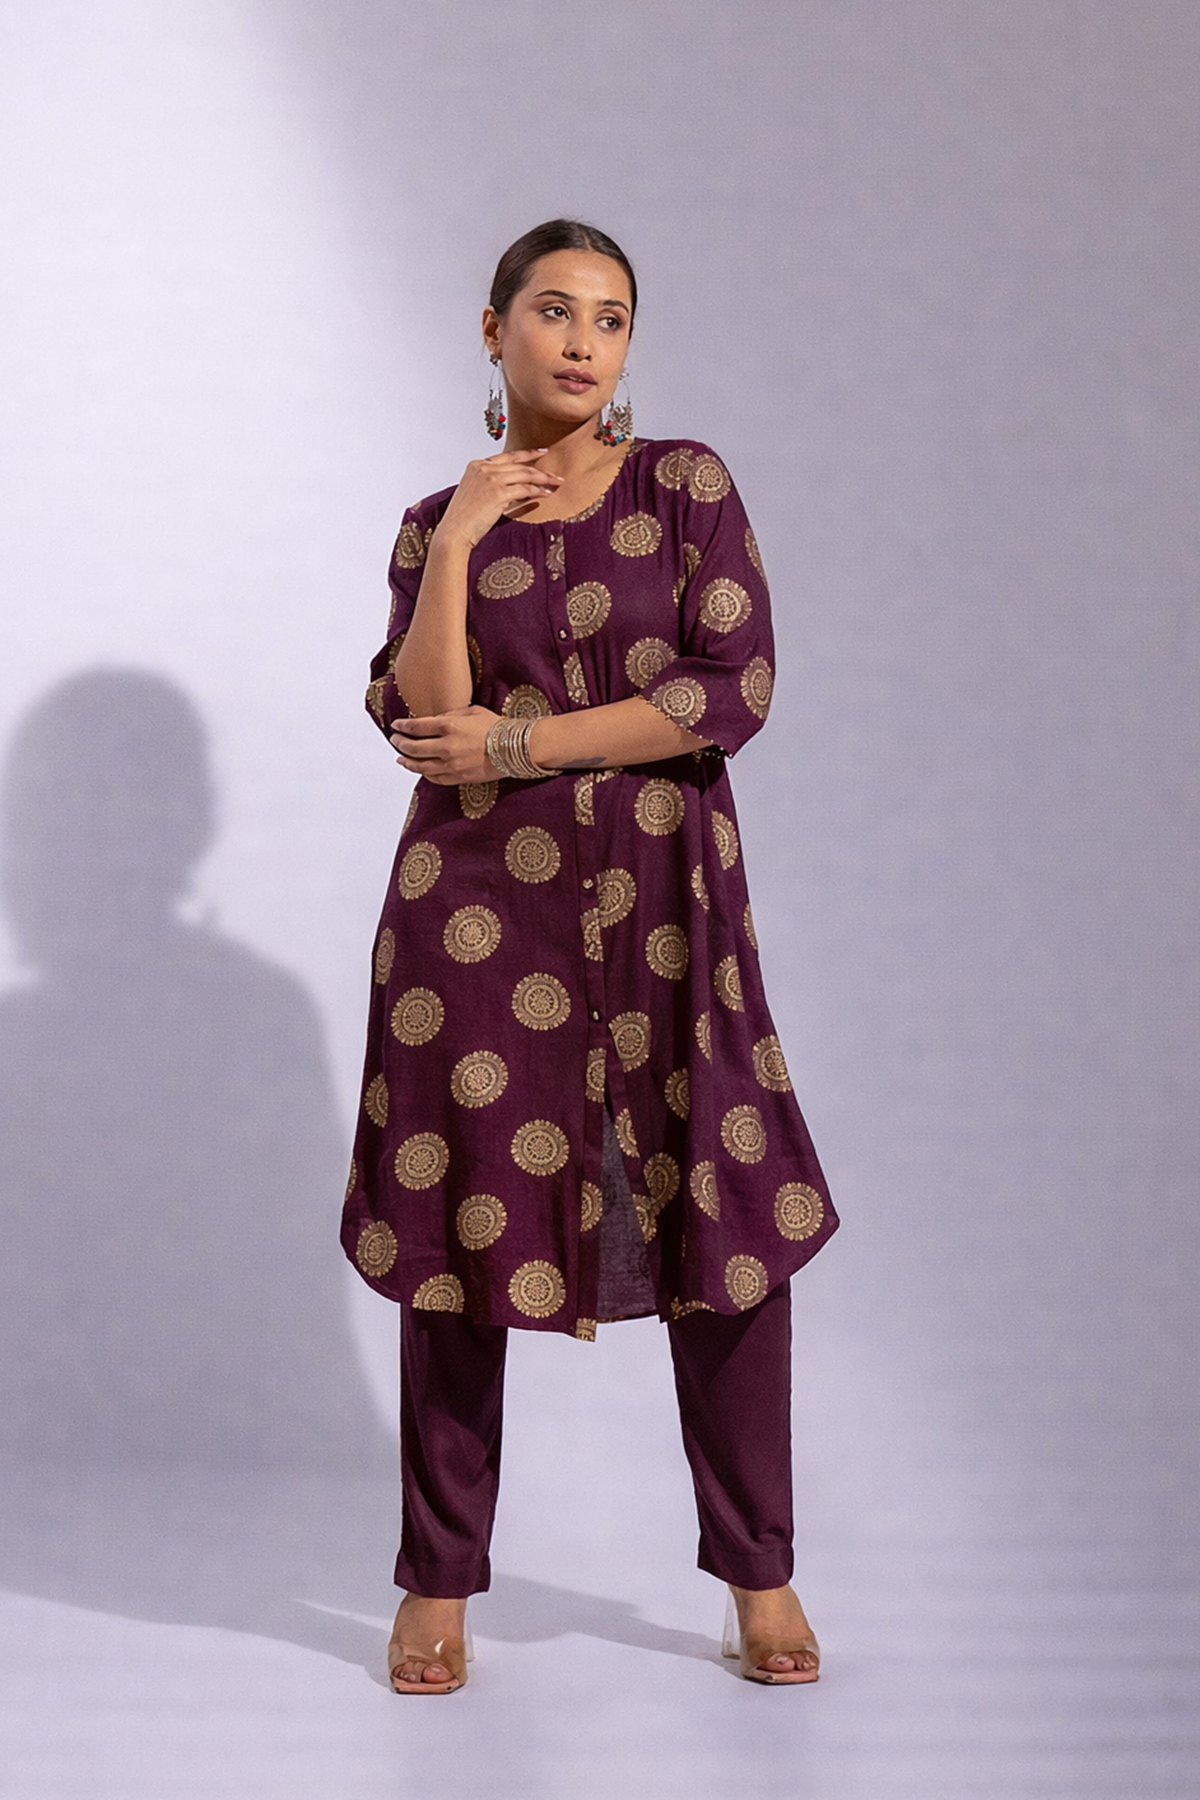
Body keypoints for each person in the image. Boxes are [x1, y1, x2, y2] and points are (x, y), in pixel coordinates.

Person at [341, 219, 839, 1692]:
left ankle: (760, 1573)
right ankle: (437, 1583)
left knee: (727, 1226)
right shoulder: (433, 520)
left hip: (670, 910)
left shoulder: (685, 487)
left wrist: (521, 745)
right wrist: (461, 545)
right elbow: (418, 721)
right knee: (458, 1238)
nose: (581, 340)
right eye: (553, 310)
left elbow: (729, 687)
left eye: (609, 318)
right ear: (492, 328)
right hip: (473, 924)